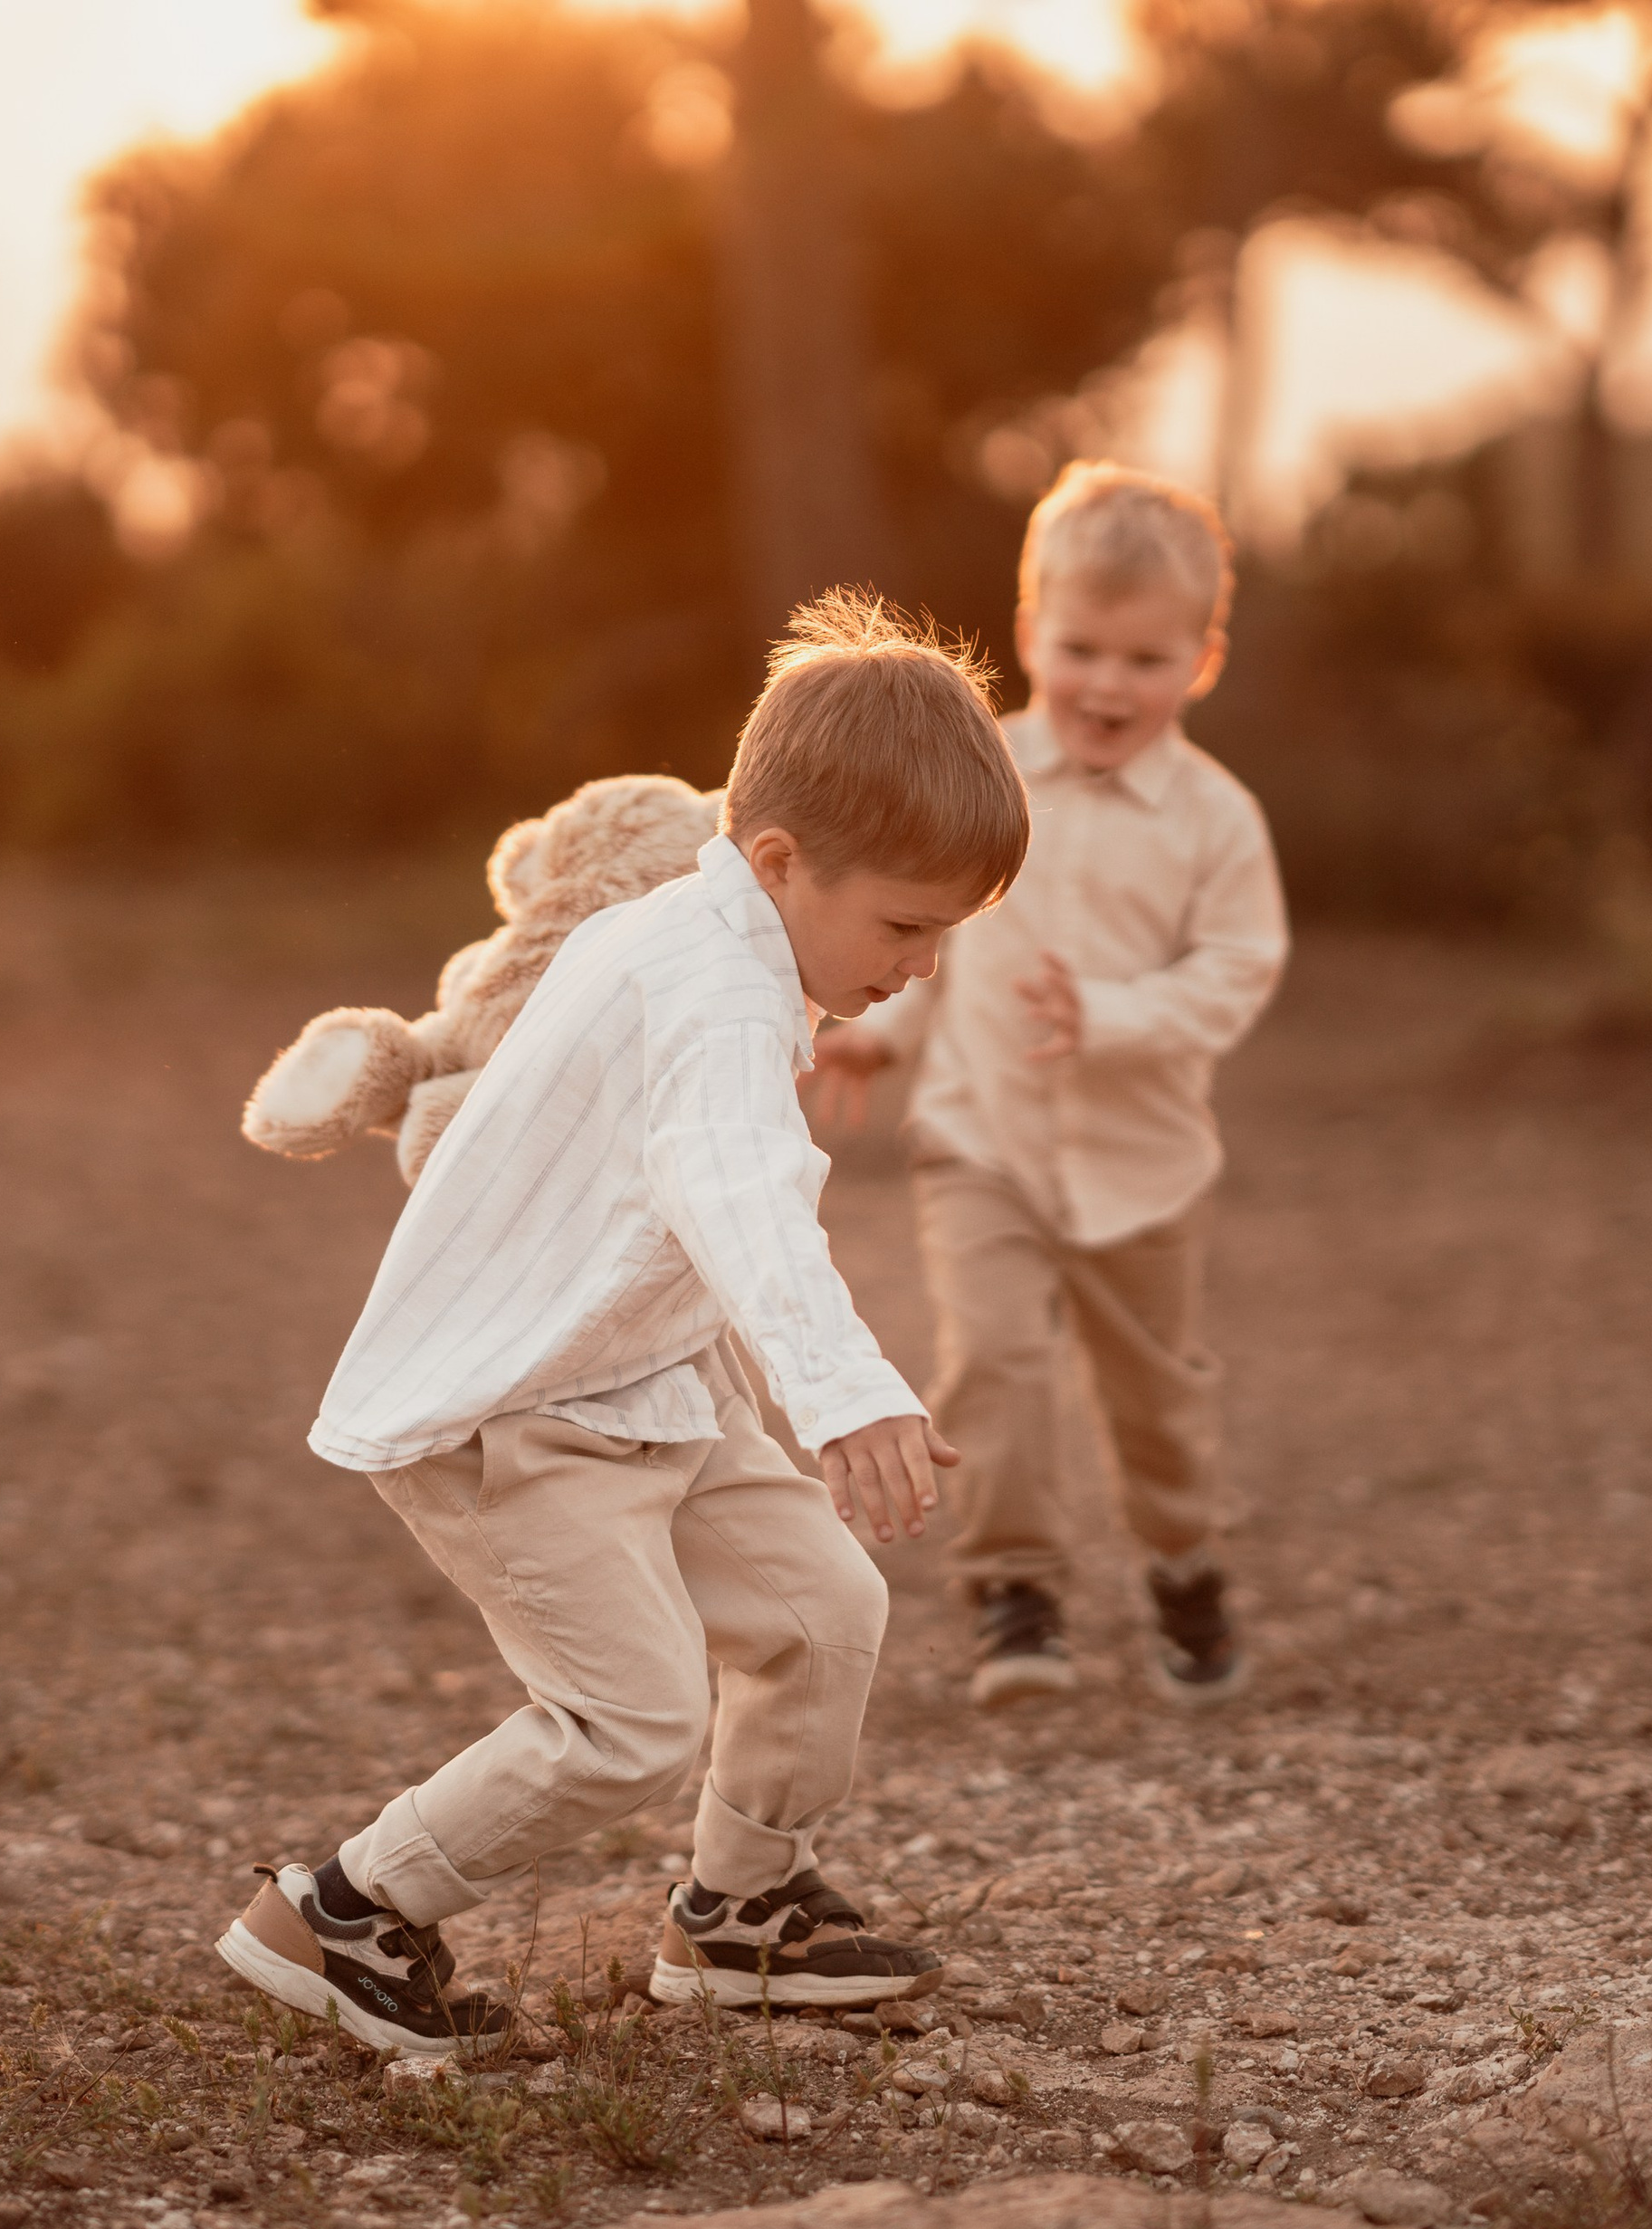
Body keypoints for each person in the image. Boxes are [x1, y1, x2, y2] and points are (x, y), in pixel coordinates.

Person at [216, 591, 1031, 2056]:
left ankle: (740, 1914)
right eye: (906, 925)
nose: (921, 964)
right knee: (631, 1716)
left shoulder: (721, 933)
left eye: (945, 934)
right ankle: (343, 1909)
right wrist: (847, 1396)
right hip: (510, 1408)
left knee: (822, 1610)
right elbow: (743, 1199)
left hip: (644, 1377)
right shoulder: (711, 995)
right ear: (778, 861)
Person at [807, 464, 1289, 1712]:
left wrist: (1115, 1017)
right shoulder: (984, 778)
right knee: (994, 1363)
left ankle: (1183, 1562)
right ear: (1031, 637)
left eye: (1145, 658)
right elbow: (934, 932)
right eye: (1081, 649)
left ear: (1202, 659)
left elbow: (1240, 969)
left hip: (1144, 1166)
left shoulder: (1216, 820)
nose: (1108, 685)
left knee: (1158, 1396)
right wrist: (877, 1033)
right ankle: (1012, 1588)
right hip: (986, 1142)